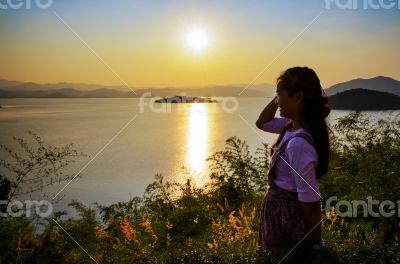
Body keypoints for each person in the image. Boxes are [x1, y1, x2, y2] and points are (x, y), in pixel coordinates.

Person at [255, 66, 331, 254]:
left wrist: (317, 244)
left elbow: (310, 201)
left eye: (280, 95)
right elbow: (262, 122)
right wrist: (279, 95)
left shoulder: (298, 143)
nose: (277, 100)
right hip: (280, 215)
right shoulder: (290, 128)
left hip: (287, 220)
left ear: (298, 97)